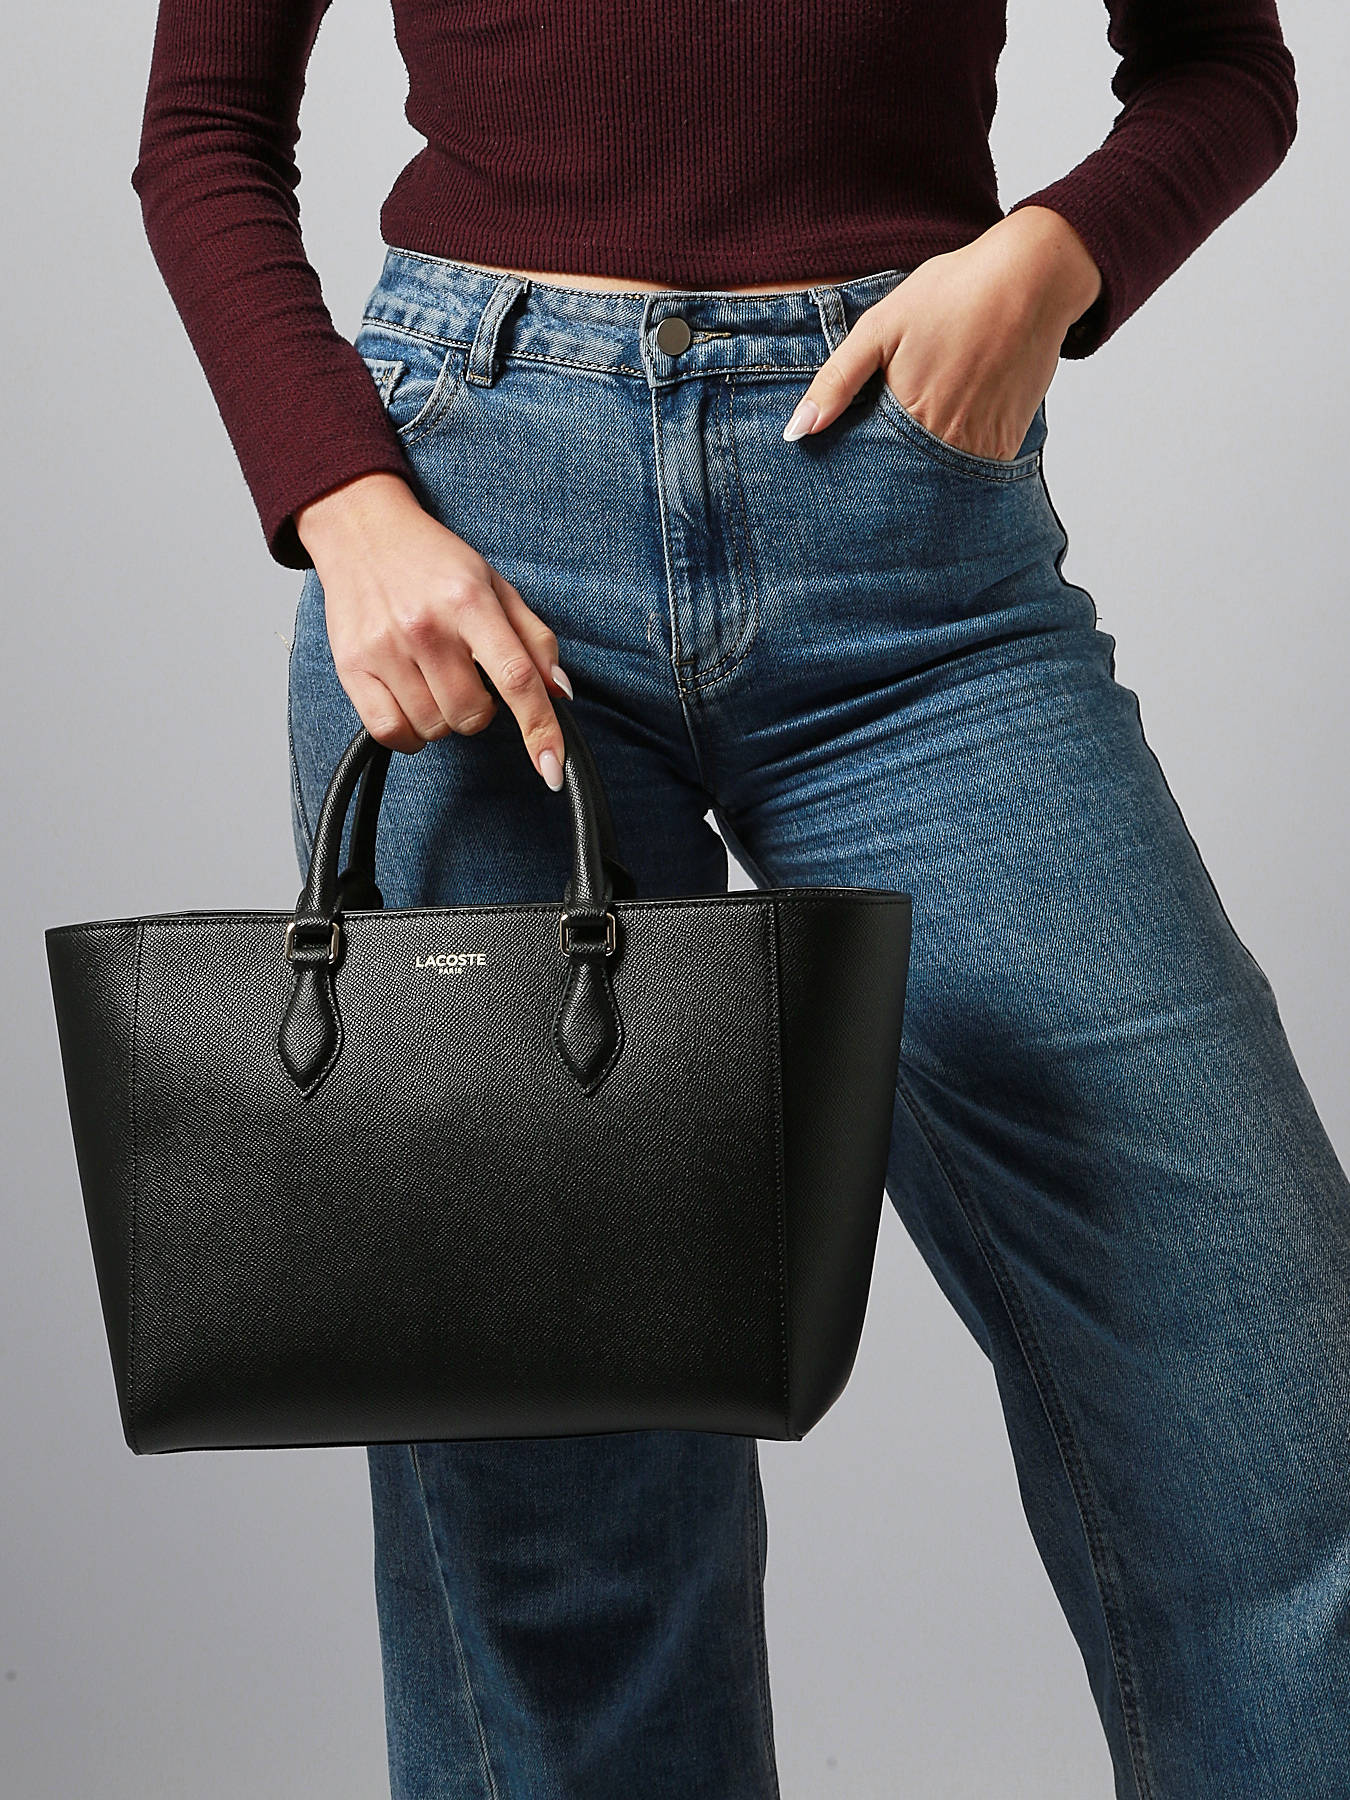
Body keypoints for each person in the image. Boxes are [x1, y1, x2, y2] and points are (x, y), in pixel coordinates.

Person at [129, 3, 1348, 1795]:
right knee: (560, 1521)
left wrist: (1048, 258)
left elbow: (1221, 66)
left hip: (911, 567)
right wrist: (342, 500)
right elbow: (202, 126)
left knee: (1269, 1408)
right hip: (473, 544)